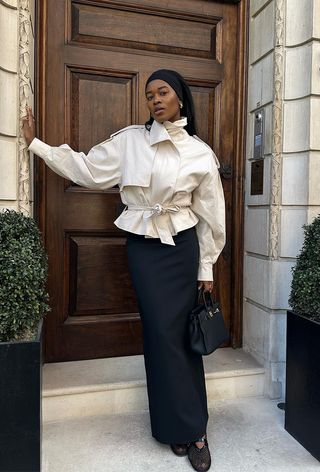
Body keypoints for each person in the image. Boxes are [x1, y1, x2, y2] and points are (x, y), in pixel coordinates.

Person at [22, 69, 226, 472]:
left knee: (182, 339)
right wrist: (37, 146)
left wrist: (207, 266)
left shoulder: (200, 153)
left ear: (180, 98)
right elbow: (87, 169)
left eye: (163, 92)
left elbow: (212, 215)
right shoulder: (131, 141)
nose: (155, 100)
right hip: (145, 250)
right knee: (158, 335)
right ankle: (171, 427)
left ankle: (196, 430)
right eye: (150, 95)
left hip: (181, 249)